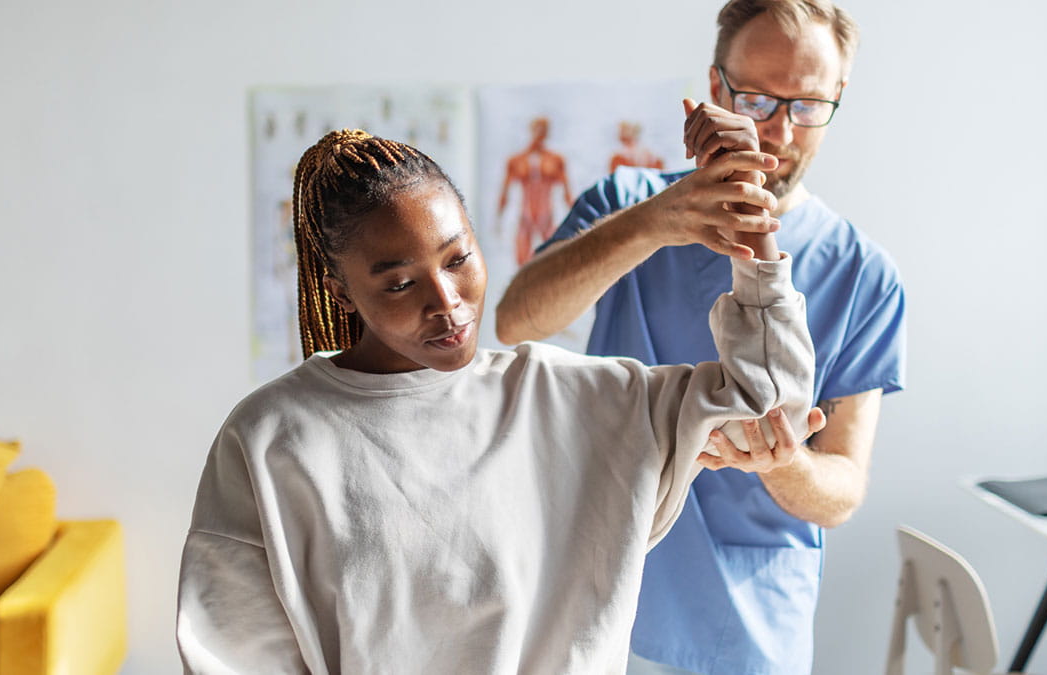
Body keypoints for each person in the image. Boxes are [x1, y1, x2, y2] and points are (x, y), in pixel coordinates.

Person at [177, 129, 820, 673]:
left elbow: (770, 407)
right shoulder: (271, 439)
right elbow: (234, 653)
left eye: (458, 259)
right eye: (400, 283)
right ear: (340, 292)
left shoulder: (570, 400)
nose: (446, 301)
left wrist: (752, 223)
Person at [496, 2, 906, 673]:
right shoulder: (626, 200)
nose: (777, 131)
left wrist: (784, 464)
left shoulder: (864, 275)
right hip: (607, 592)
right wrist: (656, 221)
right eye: (755, 99)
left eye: (806, 106)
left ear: (837, 98)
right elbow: (518, 320)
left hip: (752, 628)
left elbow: (842, 488)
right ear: (715, 88)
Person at [496, 116, 573, 266]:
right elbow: (505, 191)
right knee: (522, 261)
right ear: (531, 129)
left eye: (544, 128)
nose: (540, 132)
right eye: (537, 128)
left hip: (547, 214)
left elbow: (567, 193)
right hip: (526, 215)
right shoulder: (516, 160)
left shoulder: (556, 160)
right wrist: (499, 219)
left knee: (552, 258)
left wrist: (576, 218)